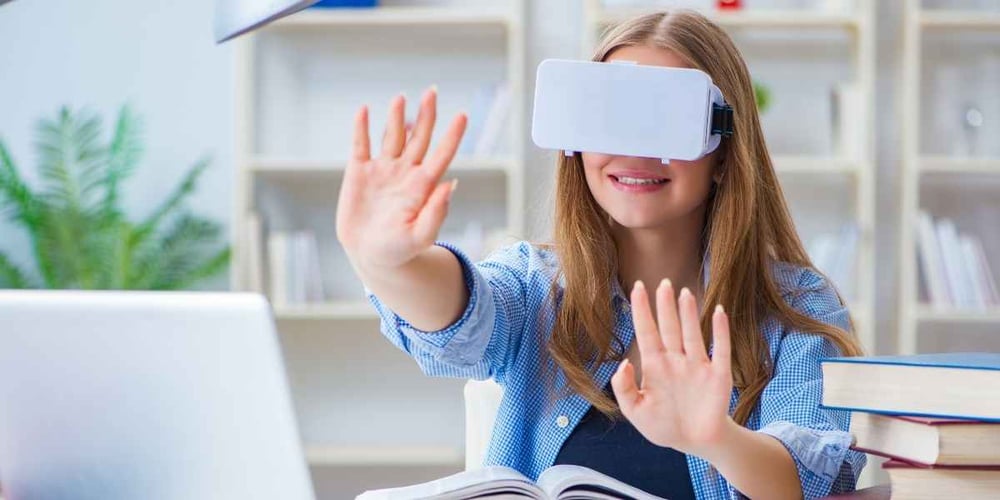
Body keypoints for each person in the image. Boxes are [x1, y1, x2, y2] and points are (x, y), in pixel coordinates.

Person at [335, 9, 866, 500]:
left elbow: (807, 480)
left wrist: (715, 438)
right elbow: (462, 314)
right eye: (609, 119)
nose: (633, 150)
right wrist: (388, 264)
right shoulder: (537, 287)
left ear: (724, 152)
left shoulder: (795, 309)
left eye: (664, 120)